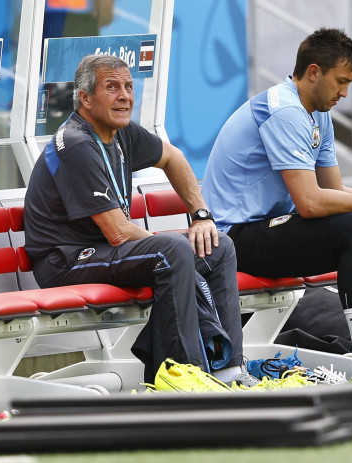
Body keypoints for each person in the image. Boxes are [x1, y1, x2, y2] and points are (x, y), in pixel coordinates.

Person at [201, 28, 352, 372]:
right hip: (232, 240)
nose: (344, 92)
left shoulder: (317, 111)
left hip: (266, 229)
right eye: (341, 81)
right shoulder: (284, 111)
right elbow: (310, 203)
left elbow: (334, 192)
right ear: (313, 72)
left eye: (350, 83)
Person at [24, 54, 252, 389]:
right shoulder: (75, 143)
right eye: (112, 87)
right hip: (66, 260)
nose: (125, 95)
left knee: (219, 246)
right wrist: (174, 253)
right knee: (172, 252)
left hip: (105, 251)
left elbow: (173, 157)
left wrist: (200, 215)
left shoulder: (122, 133)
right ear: (85, 98)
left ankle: (229, 371)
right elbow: (117, 233)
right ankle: (185, 377)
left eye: (129, 86)